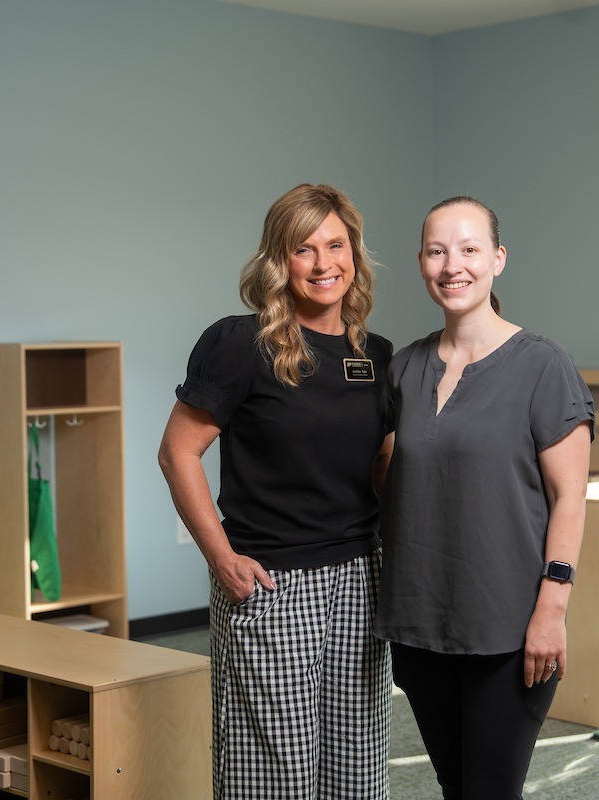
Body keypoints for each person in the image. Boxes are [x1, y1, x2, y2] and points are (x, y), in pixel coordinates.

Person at [158, 183, 394, 800]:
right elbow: (177, 451)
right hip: (271, 579)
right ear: (279, 260)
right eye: (303, 249)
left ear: (354, 252)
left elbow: (381, 468)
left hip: (360, 579)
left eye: (336, 245)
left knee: (359, 760)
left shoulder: (377, 357)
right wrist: (222, 558)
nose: (323, 264)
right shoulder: (240, 343)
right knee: (274, 769)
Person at [374, 196, 594, 799]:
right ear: (421, 262)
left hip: (510, 626)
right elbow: (387, 477)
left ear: (498, 258)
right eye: (438, 251)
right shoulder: (403, 369)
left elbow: (570, 495)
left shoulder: (543, 365)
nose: (453, 266)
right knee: (458, 790)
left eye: (469, 249)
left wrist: (552, 608)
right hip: (421, 625)